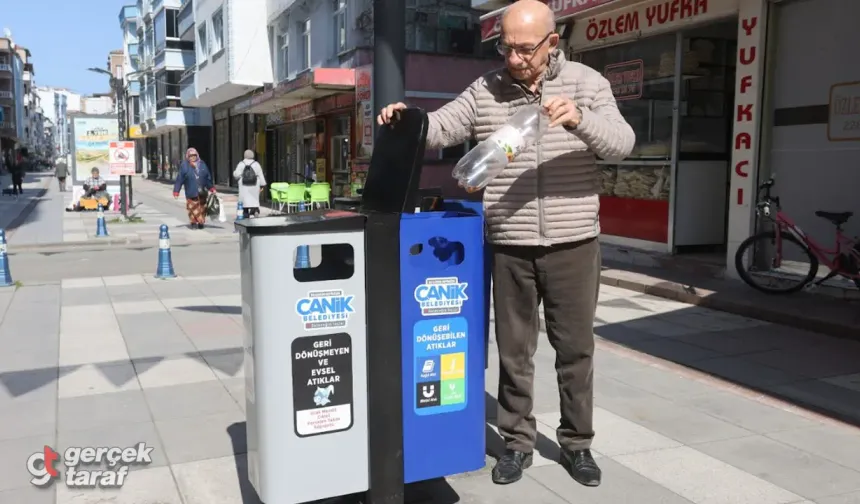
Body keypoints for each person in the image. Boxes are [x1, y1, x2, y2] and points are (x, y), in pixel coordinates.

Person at [378, 0, 634, 489]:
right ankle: (516, 443)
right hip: (511, 242)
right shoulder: (487, 90)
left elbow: (622, 142)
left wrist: (580, 119)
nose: (513, 58)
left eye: (524, 49)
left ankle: (577, 444)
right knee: (514, 351)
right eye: (506, 47)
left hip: (574, 241)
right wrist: (408, 118)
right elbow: (444, 125)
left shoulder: (587, 83)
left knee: (575, 350)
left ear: (552, 43)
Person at [173, 147, 216, 229]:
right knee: (192, 208)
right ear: (187, 156)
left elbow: (207, 178)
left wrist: (211, 188)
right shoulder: (184, 166)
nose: (193, 157)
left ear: (197, 155)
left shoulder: (202, 164)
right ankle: (193, 223)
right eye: (191, 156)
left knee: (202, 208)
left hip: (202, 192)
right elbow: (179, 179)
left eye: (194, 155)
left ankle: (201, 222)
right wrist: (176, 192)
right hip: (191, 191)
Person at [233, 149, 267, 218]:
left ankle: (245, 212)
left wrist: (235, 173)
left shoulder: (241, 164)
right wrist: (263, 185)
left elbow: (236, 175)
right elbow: (260, 175)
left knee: (244, 201)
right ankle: (255, 210)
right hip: (254, 185)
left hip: (244, 185)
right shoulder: (256, 164)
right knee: (254, 200)